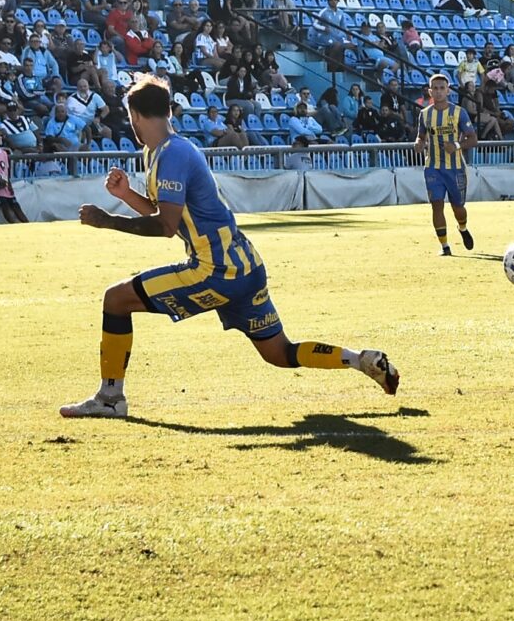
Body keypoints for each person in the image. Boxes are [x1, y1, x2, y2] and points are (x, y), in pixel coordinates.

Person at [59, 76, 400, 419]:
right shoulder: (165, 151)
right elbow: (169, 215)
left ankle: (109, 398)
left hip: (214, 269)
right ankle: (362, 360)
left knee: (116, 300)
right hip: (245, 266)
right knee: (279, 352)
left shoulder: (172, 154)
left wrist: (108, 220)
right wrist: (127, 197)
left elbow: (165, 226)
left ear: (135, 114)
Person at [414, 73, 476, 256]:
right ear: (430, 91)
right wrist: (418, 143)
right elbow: (421, 135)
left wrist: (456, 145)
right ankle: (445, 246)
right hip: (433, 167)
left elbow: (473, 139)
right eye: (436, 88)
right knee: (437, 204)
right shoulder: (425, 114)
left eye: (442, 88)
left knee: (458, 207)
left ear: (448, 90)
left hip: (455, 168)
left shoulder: (458, 112)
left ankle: (463, 228)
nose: (439, 92)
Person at [0, 127, 28, 225]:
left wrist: (9, 184)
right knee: (4, 203)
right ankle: (12, 223)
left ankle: (26, 223)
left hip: (3, 182)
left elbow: (6, 170)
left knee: (14, 203)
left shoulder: (3, 153)